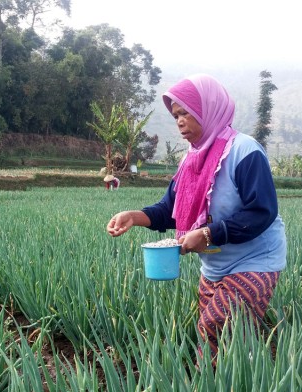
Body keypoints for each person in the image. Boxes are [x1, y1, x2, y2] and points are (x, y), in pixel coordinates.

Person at [106, 74, 287, 360]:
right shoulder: (191, 158)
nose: (179, 121)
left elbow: (261, 211)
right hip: (214, 266)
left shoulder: (244, 151)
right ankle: (219, 391)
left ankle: (233, 391)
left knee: (216, 325)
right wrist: (134, 216)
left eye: (186, 112)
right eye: (175, 115)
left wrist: (207, 234)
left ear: (208, 109)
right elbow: (171, 209)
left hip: (255, 260)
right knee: (221, 337)